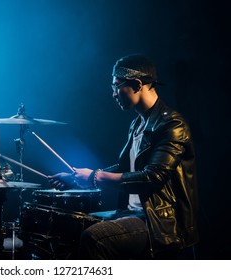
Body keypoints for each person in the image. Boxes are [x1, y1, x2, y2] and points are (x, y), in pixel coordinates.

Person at [48, 54, 199, 259]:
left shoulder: (173, 125)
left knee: (95, 238)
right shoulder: (138, 124)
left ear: (137, 84)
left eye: (116, 86)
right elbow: (124, 168)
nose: (113, 94)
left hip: (161, 223)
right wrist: (76, 177)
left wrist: (95, 176)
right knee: (74, 225)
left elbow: (152, 177)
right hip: (134, 214)